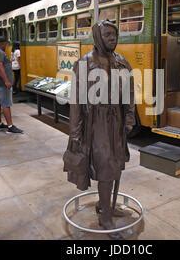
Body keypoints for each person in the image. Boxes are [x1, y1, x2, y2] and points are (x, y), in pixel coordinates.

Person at [63, 20, 135, 239]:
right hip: (97, 123)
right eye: (107, 34)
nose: (112, 38)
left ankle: (107, 205)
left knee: (115, 166)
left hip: (117, 121)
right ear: (97, 37)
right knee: (105, 167)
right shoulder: (85, 63)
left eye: (114, 34)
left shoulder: (122, 61)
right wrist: (75, 132)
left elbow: (130, 93)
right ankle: (105, 216)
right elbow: (76, 101)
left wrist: (130, 116)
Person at [0, 36, 23, 134]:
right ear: (3, 43)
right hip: (1, 84)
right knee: (6, 104)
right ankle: (10, 126)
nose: (7, 46)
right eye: (6, 44)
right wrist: (6, 81)